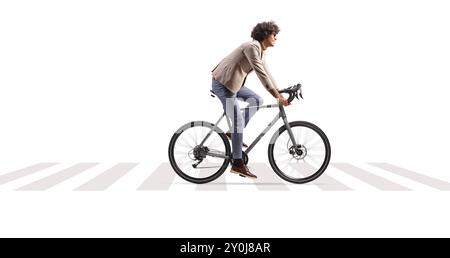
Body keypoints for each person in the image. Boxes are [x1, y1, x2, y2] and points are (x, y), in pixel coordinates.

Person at [211, 21, 289, 179]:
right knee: (238, 122)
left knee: (257, 100)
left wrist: (280, 91)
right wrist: (276, 95)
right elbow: (260, 73)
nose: (276, 38)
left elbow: (267, 73)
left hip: (233, 84)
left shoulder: (260, 50)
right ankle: (237, 164)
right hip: (223, 84)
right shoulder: (251, 47)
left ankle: (233, 134)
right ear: (266, 35)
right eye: (274, 35)